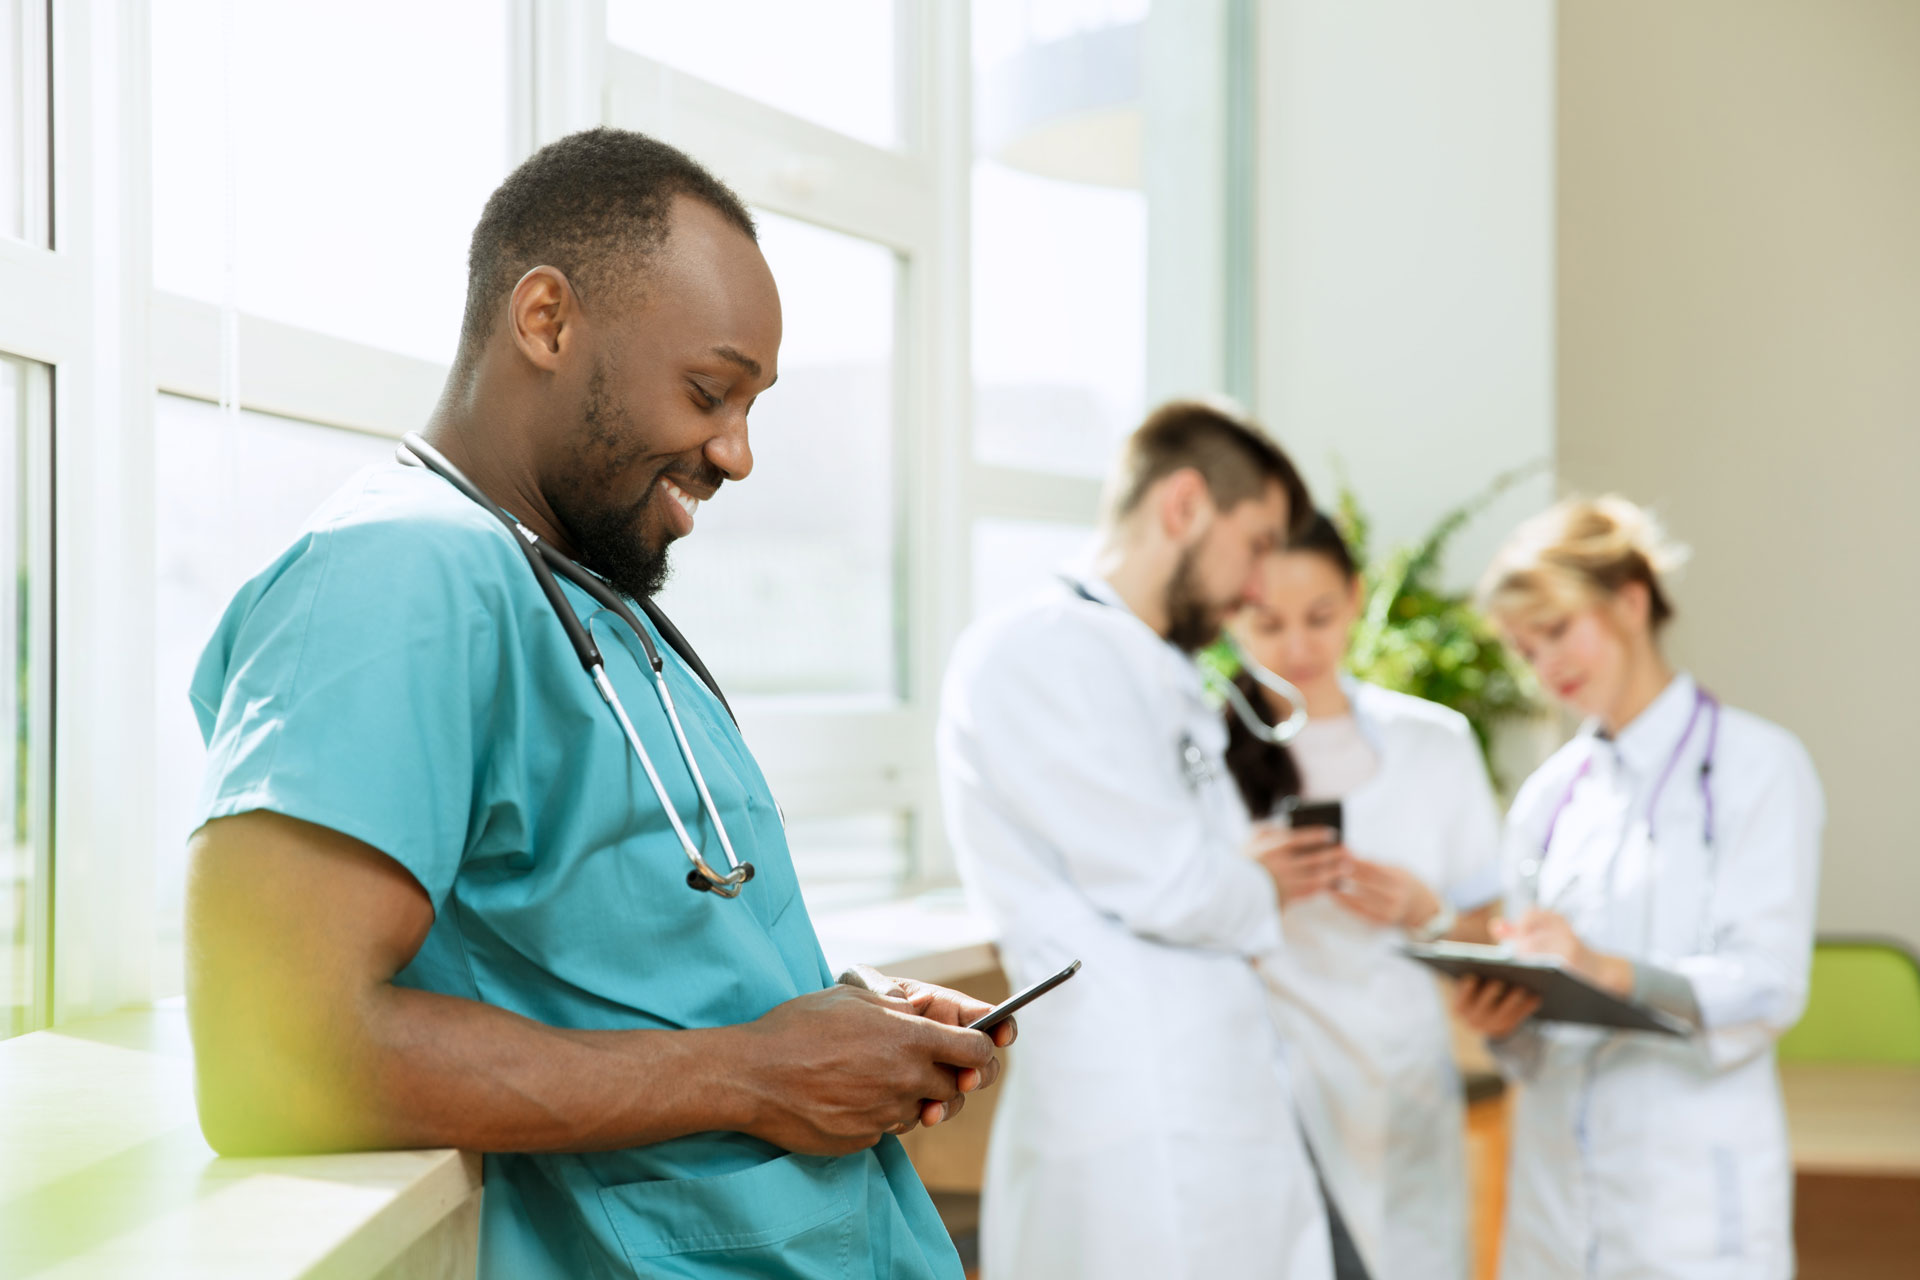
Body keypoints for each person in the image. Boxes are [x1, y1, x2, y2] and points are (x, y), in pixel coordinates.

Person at [184, 128, 1013, 1280]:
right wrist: (758, 1070)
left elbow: (621, 953)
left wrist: (840, 1025)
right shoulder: (396, 573)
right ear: (546, 321)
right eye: (709, 390)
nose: (737, 450)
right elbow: (276, 1055)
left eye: (751, 404)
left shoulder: (585, 591)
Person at [938, 399, 1339, 1280]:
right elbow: (1177, 886)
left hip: (1210, 1096)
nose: (1261, 587)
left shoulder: (1150, 660)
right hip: (1135, 1114)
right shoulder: (1039, 650)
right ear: (1185, 505)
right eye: (1261, 543)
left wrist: (1240, 880)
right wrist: (1253, 883)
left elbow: (1209, 875)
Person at [1457, 497, 1824, 1279]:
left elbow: (1769, 986)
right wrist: (1503, 1021)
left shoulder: (1758, 768)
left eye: (1556, 630)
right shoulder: (1547, 798)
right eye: (1527, 649)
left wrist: (1605, 971)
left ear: (1629, 601)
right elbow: (1537, 1042)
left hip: (1688, 1204)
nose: (1546, 665)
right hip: (1555, 1206)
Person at [1221, 511, 1502, 1280]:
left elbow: (1495, 929)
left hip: (1404, 1080)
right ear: (1228, 613)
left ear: (1354, 597)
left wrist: (1427, 910)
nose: (1298, 648)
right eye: (1266, 622)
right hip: (1269, 1088)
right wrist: (1241, 885)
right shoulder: (1207, 758)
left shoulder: (1433, 744)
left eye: (1319, 617)